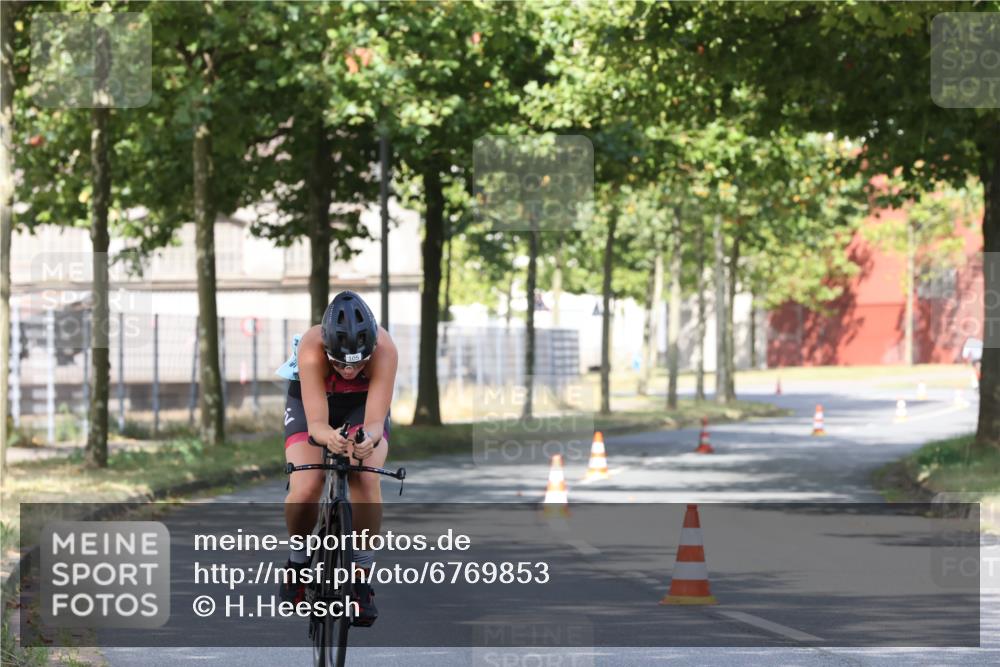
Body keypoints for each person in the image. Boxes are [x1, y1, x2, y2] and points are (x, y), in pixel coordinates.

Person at [277, 290, 397, 627]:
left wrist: (366, 441)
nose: (348, 369)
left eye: (358, 362)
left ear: (372, 349)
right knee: (307, 483)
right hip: (313, 403)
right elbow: (316, 424)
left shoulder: (386, 349)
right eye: (340, 362)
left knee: (367, 474)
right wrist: (328, 436)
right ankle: (298, 563)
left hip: (362, 405)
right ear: (328, 349)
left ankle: (360, 577)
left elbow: (374, 423)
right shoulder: (312, 347)